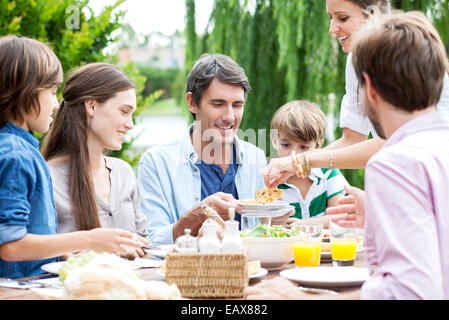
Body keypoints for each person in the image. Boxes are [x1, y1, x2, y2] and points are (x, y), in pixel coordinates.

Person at [244, 11, 449, 300]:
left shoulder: (393, 163)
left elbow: (409, 291)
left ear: (371, 90)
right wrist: (377, 222)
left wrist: (305, 299)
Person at [0, 36, 147, 279]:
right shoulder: (16, 155)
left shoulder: (23, 150)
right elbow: (9, 245)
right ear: (26, 93)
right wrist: (91, 239)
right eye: (51, 91)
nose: (57, 105)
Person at [261, 0, 449, 187]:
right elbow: (352, 139)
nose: (332, 29)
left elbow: (397, 141)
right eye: (330, 18)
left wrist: (302, 162)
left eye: (342, 18)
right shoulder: (355, 60)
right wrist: (297, 165)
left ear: (373, 14)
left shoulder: (399, 56)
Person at [137, 54, 268, 245]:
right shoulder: (156, 163)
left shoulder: (256, 157)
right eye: (218, 104)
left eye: (237, 105)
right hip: (187, 273)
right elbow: (153, 241)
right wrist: (199, 213)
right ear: (192, 103)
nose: (230, 117)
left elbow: (263, 234)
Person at [42, 63, 150, 260]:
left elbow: (144, 244)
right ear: (91, 106)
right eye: (124, 111)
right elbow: (38, 254)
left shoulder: (124, 172)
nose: (130, 124)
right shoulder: (48, 177)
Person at [270, 100, 347, 228]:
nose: (293, 155)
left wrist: (305, 225)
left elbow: (341, 216)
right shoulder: (271, 181)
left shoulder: (328, 172)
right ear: (274, 140)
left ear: (318, 145)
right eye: (285, 145)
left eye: (304, 147)